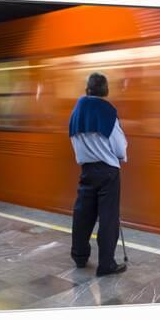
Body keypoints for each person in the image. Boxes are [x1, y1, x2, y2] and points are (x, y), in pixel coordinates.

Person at [68, 72, 128, 277]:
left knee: (83, 214)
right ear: (106, 91)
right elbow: (119, 147)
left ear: (87, 90)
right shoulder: (108, 112)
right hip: (108, 171)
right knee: (108, 218)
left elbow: (74, 140)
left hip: (86, 170)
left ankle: (79, 257)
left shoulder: (76, 112)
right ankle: (106, 264)